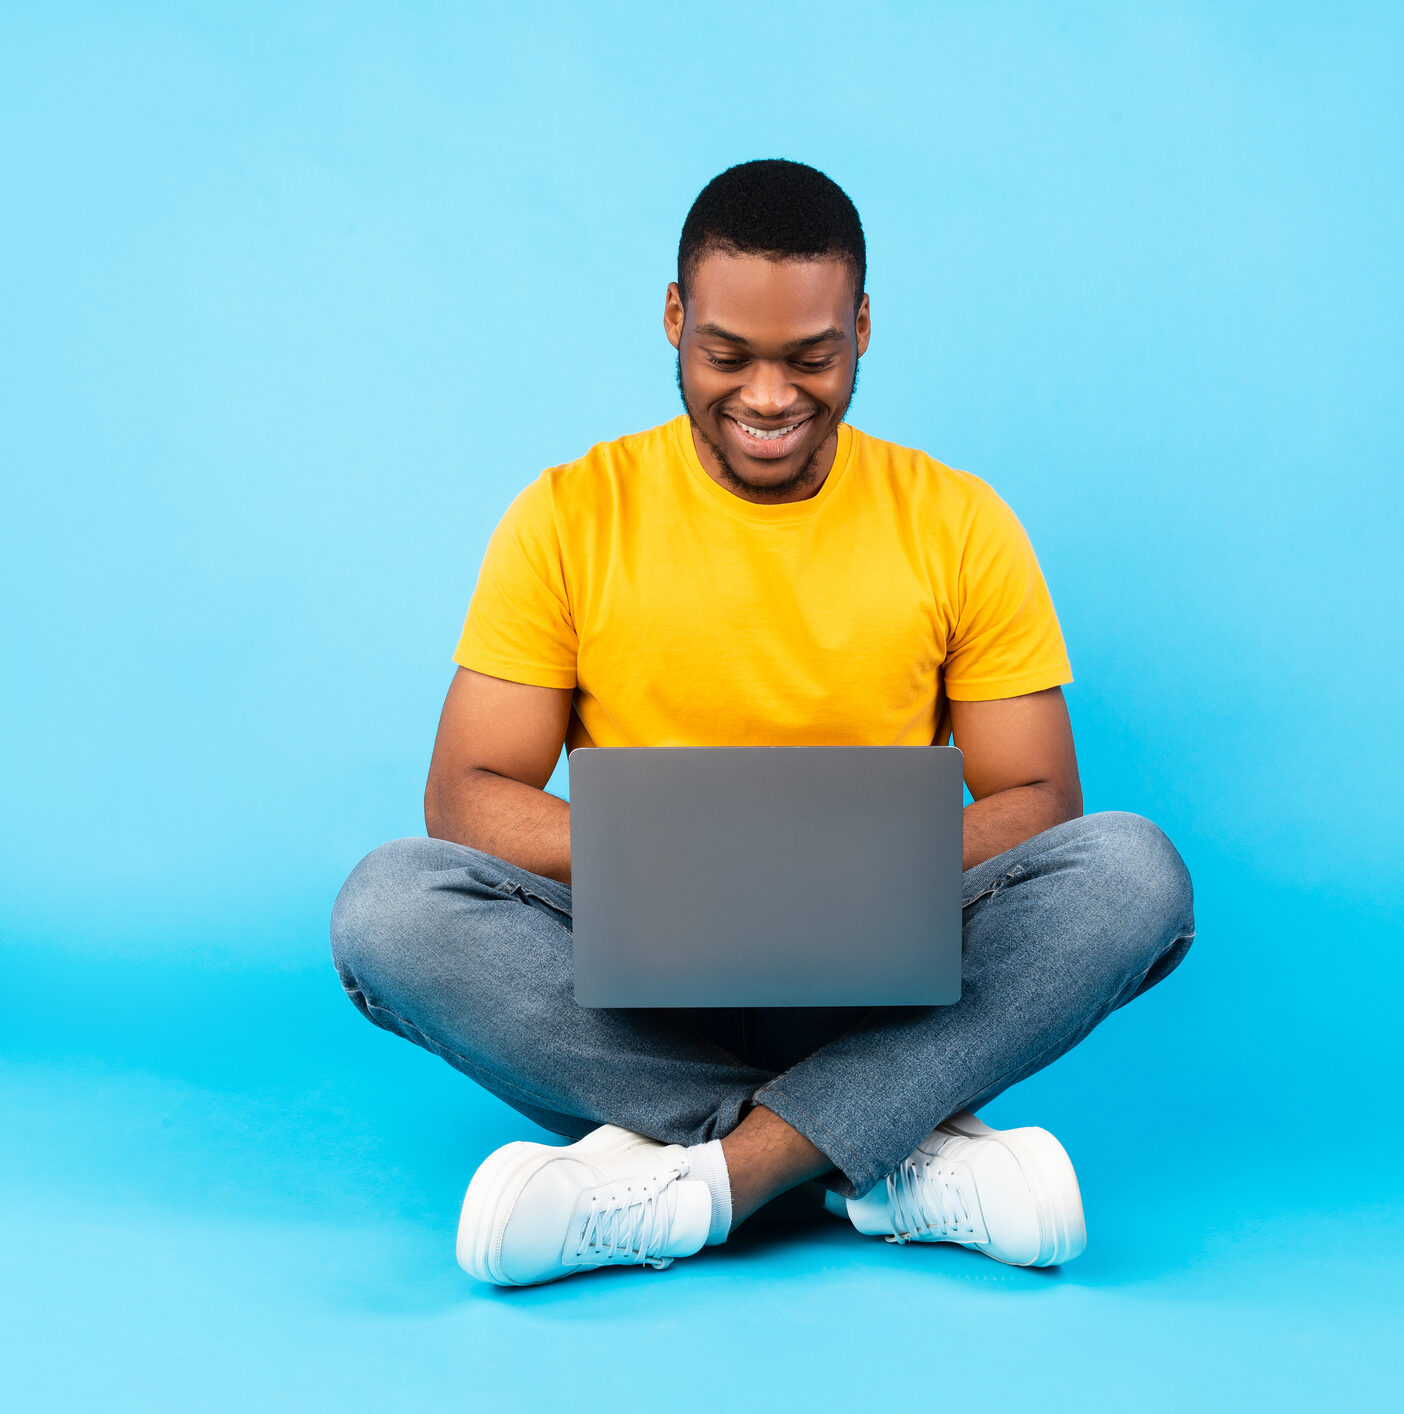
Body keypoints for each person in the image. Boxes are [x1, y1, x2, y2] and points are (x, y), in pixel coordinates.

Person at [330, 159, 1195, 1288]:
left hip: (882, 974)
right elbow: (465, 795)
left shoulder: (957, 522)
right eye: (728, 355)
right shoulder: (570, 514)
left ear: (864, 327)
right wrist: (684, 865)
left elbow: (1040, 801)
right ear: (675, 319)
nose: (770, 396)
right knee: (389, 907)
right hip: (638, 992)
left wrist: (844, 868)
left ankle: (710, 1179)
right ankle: (882, 1151)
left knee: (1133, 872)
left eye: (811, 356)